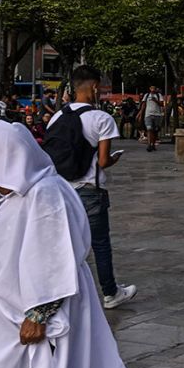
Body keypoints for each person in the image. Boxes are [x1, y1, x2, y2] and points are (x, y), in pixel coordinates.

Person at [0, 121, 149, 368]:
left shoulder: (47, 194)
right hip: (7, 310)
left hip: (36, 311)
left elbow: (53, 257)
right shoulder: (26, 192)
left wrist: (38, 313)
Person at [48, 65, 137, 309]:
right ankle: (110, 293)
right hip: (90, 190)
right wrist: (115, 159)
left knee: (64, 243)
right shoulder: (101, 118)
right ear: (95, 86)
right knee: (99, 244)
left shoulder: (57, 116)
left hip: (61, 190)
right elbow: (104, 160)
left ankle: (58, 294)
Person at [138, 85, 165, 152]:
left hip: (157, 115)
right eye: (151, 88)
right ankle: (149, 144)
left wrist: (155, 100)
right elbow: (143, 105)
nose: (153, 89)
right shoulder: (146, 95)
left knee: (155, 130)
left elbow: (162, 104)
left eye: (154, 88)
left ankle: (153, 144)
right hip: (148, 114)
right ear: (150, 89)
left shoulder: (159, 95)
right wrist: (140, 113)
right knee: (149, 129)